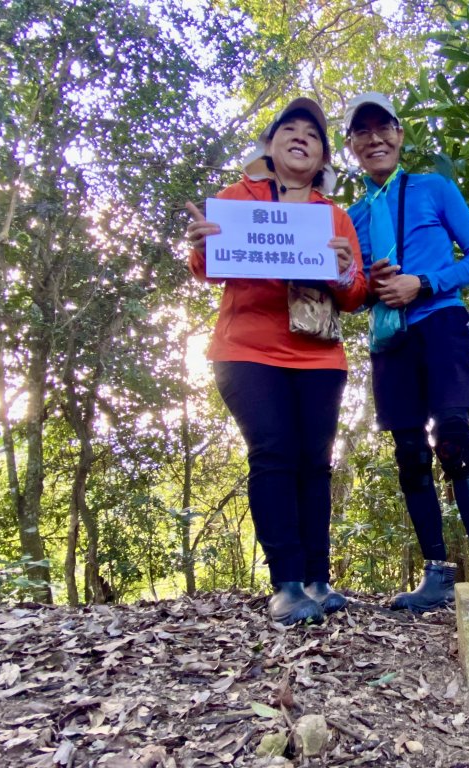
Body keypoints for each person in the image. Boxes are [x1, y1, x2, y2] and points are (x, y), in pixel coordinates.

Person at [185, 97, 367, 625]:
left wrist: (340, 271)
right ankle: (286, 584)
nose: (301, 137)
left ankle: (317, 579)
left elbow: (354, 294)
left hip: (319, 358)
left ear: (323, 157)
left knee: (315, 462)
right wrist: (200, 245)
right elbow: (210, 269)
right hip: (247, 351)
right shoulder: (234, 200)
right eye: (290, 128)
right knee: (273, 453)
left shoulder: (332, 216)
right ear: (270, 144)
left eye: (313, 134)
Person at [344, 92, 469, 613]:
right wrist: (371, 284)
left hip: (441, 322)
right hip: (389, 337)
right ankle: (436, 575)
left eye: (383, 127)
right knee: (409, 450)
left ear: (400, 134)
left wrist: (423, 282)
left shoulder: (435, 188)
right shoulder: (352, 216)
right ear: (351, 147)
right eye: (362, 133)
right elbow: (350, 291)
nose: (375, 139)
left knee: (453, 435)